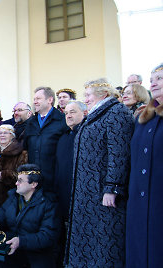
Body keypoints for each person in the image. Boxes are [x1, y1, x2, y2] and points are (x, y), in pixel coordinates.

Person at [66, 78, 134, 267]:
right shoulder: (97, 114)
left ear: (103, 94)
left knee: (105, 239)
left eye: (88, 95)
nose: (85, 99)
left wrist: (112, 187)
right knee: (89, 239)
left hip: (103, 193)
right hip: (88, 192)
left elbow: (119, 152)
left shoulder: (116, 113)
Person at [0, 164, 59, 268]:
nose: (16, 183)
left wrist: (21, 241)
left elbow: (47, 236)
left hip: (38, 253)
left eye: (20, 181)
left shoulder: (48, 204)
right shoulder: (13, 198)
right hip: (15, 249)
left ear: (33, 184)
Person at [126, 63, 163, 267]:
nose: (154, 83)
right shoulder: (143, 118)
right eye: (152, 79)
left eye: (160, 78)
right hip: (140, 202)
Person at [53, 100, 86, 265]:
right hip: (63, 194)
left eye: (73, 112)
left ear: (84, 113)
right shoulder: (63, 138)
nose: (69, 115)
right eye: (66, 113)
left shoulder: (86, 135)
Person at [24, 87, 68, 194]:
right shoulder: (31, 122)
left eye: (38, 98)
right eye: (34, 99)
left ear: (50, 100)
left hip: (55, 179)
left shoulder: (62, 120)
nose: (35, 102)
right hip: (34, 180)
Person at [0, 124, 27, 225]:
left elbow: (22, 177)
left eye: (6, 133)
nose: (2, 135)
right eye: (0, 133)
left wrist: (4, 175)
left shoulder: (21, 154)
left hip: (8, 198)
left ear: (12, 135)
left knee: (6, 227)